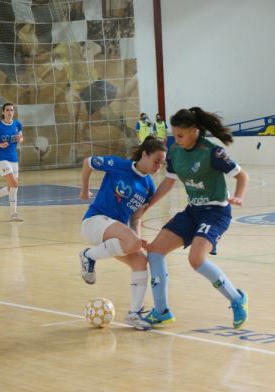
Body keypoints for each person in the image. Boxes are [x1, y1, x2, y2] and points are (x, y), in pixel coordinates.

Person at [142, 107, 249, 329]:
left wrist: (238, 196)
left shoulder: (212, 152)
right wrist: (146, 205)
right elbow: (169, 182)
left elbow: (242, 175)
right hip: (192, 211)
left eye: (180, 135)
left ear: (194, 131)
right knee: (154, 251)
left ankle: (237, 299)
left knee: (196, 259)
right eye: (174, 134)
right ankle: (161, 311)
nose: (176, 139)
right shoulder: (174, 151)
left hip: (216, 213)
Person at [78, 136, 166, 330]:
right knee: (133, 244)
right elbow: (87, 163)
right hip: (95, 221)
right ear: (145, 154)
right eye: (156, 161)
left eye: (162, 163)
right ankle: (88, 256)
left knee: (140, 261)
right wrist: (84, 190)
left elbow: (136, 217)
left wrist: (135, 239)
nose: (159, 166)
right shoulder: (118, 165)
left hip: (115, 232)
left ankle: (133, 314)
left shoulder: (148, 186)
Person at [0, 103, 24, 222]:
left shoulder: (17, 124)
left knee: (12, 187)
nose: (10, 112)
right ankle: (14, 214)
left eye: (12, 110)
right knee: (15, 184)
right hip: (1, 159)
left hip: (14, 159)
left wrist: (20, 139)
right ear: (3, 112)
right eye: (7, 110)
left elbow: (21, 138)